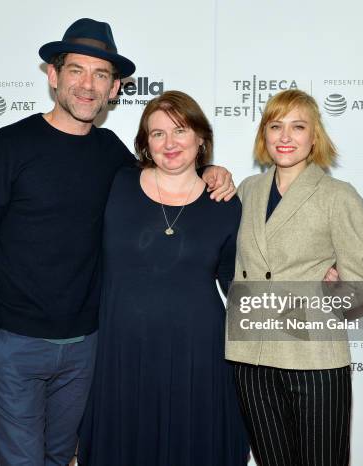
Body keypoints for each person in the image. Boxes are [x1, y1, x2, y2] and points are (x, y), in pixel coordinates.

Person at [0, 19, 235, 466]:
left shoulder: (112, 155)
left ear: (115, 89)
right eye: (77, 71)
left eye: (101, 75)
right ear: (53, 75)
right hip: (17, 344)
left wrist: (211, 172)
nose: (88, 85)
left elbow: (166, 173)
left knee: (62, 457)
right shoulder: (7, 146)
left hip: (87, 349)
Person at [78, 91, 248, 466]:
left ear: (201, 139)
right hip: (120, 351)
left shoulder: (224, 201)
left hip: (198, 354)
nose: (169, 143)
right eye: (157, 134)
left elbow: (237, 280)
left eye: (180, 131)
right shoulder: (116, 184)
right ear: (145, 144)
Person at [226, 89, 363, 466]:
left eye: (298, 127)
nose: (285, 137)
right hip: (252, 358)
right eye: (275, 126)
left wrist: (333, 292)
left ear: (315, 137)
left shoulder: (337, 196)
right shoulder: (247, 191)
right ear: (264, 134)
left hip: (313, 358)